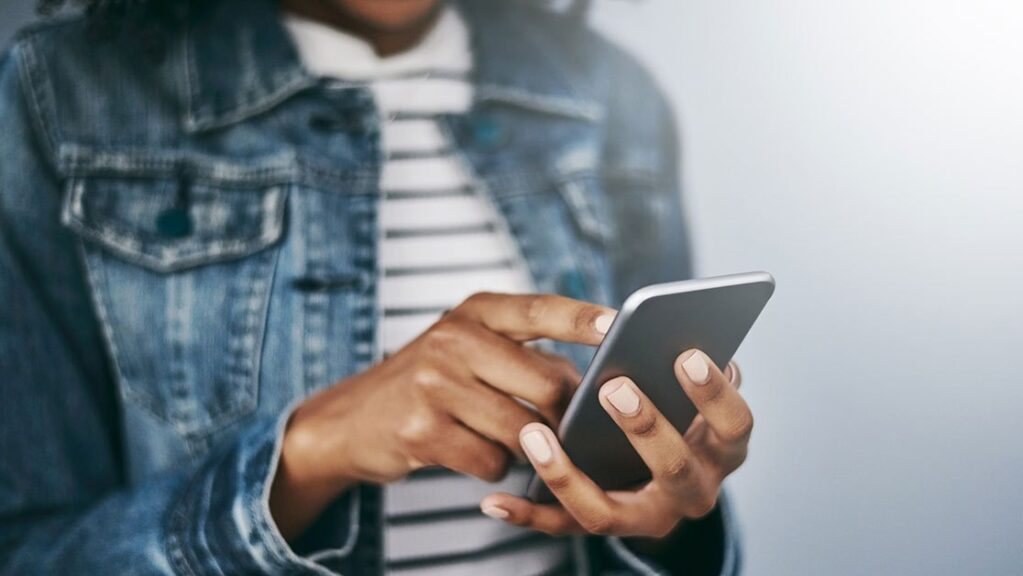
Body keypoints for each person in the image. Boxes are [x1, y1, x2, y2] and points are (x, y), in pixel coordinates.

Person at [0, 0, 754, 573]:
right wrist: (311, 452)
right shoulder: (55, 99)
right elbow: (26, 548)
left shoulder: (610, 95)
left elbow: (660, 498)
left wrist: (672, 515)